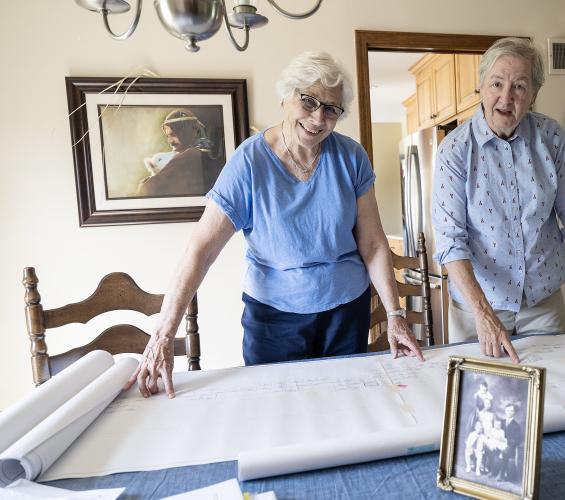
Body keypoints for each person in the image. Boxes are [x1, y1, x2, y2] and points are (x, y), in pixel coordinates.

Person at [125, 51, 424, 399]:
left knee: (345, 407)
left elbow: (373, 245)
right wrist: (163, 334)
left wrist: (396, 314)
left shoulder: (351, 157)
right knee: (277, 411)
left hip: (346, 310)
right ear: (286, 97)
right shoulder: (249, 163)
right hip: (274, 319)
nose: (318, 117)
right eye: (308, 101)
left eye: (331, 109)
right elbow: (201, 249)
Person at [432, 37, 565, 362]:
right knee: (483, 398)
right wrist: (483, 313)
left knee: (555, 390)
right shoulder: (455, 150)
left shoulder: (551, 138)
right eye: (497, 84)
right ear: (481, 87)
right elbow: (450, 242)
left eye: (519, 86)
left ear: (533, 95)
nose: (506, 97)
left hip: (542, 302)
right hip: (478, 307)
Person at [137, 109, 224, 197]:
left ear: (186, 132)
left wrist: (145, 183)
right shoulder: (200, 154)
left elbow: (147, 190)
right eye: (168, 136)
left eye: (173, 135)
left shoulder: (190, 155)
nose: (170, 142)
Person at [497, 404, 522, 482]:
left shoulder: (516, 426)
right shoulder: (501, 422)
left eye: (511, 410)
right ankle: (491, 470)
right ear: (505, 411)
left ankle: (501, 474)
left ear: (514, 412)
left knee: (506, 451)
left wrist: (506, 440)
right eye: (508, 410)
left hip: (510, 446)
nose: (509, 412)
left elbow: (517, 440)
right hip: (498, 443)